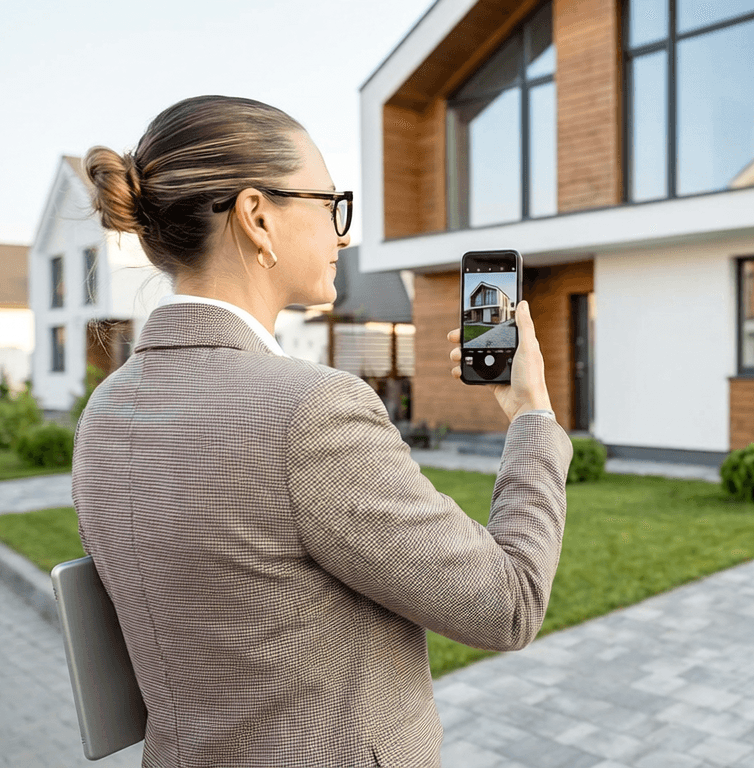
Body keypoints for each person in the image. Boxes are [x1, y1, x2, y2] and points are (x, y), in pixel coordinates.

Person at [73, 95, 572, 768]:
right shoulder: (310, 410)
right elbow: (507, 604)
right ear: (257, 217)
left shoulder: (104, 413)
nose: (343, 235)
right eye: (331, 204)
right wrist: (533, 413)